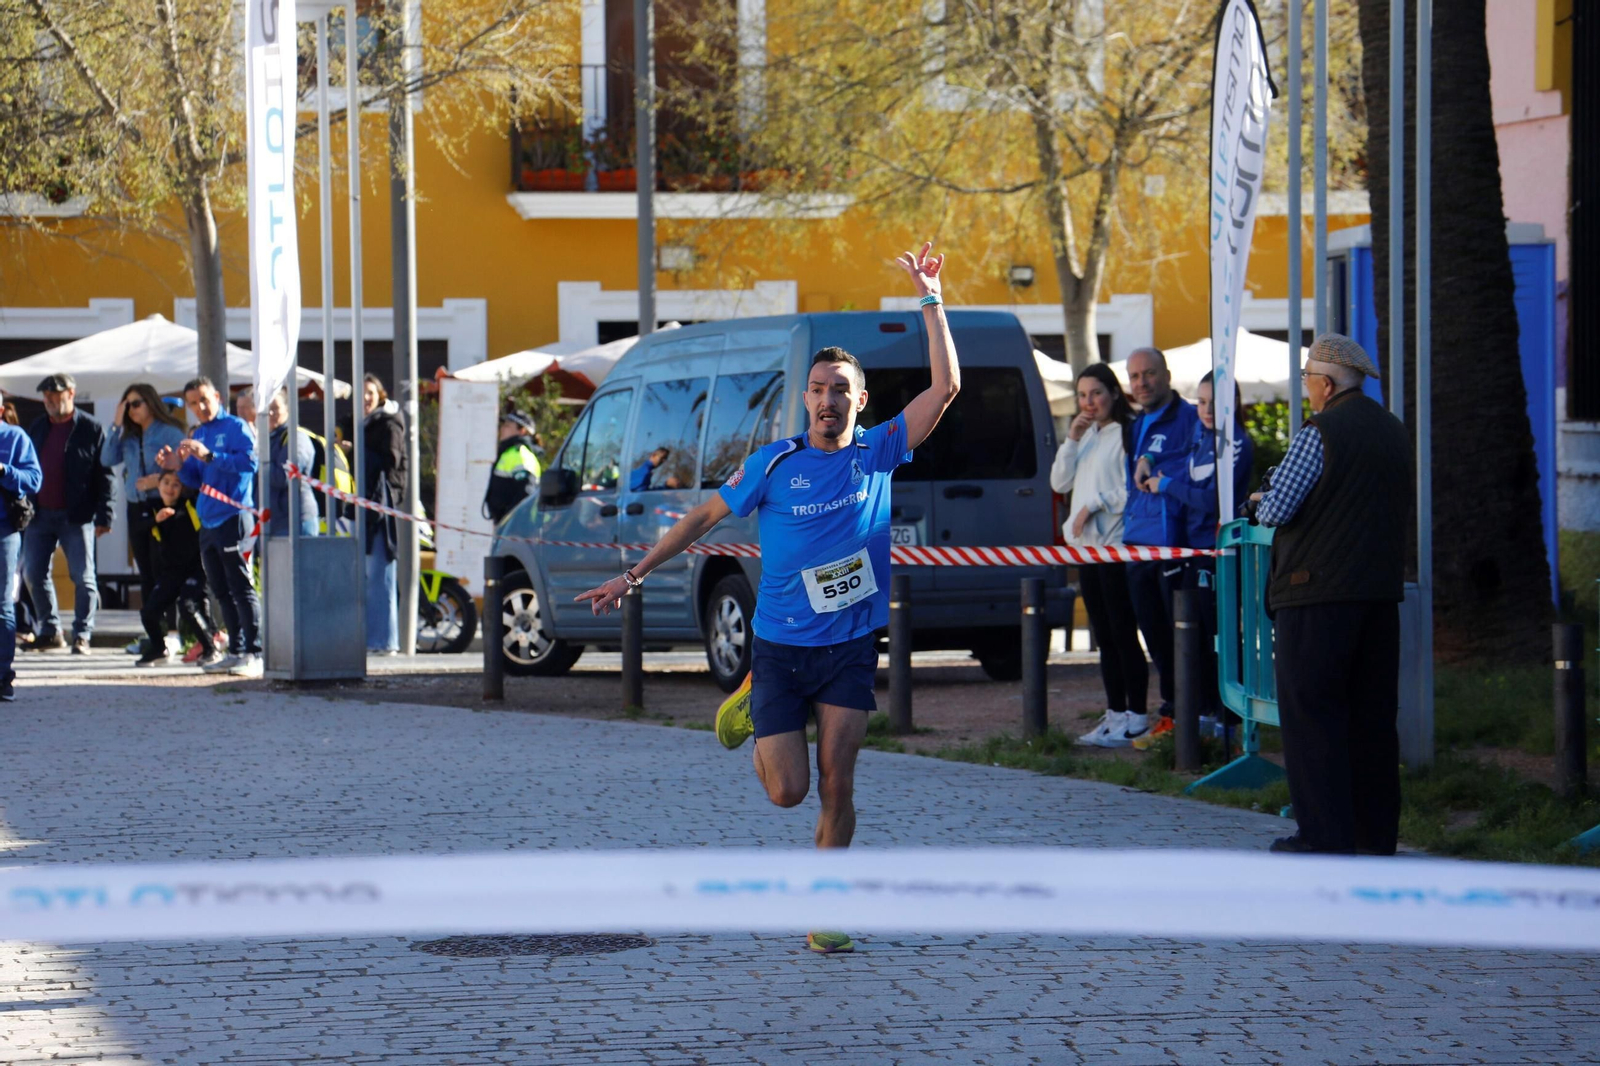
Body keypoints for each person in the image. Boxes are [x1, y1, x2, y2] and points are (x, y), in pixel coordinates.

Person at [577, 241, 959, 955]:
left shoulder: (877, 452)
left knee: (837, 784)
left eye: (840, 388)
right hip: (780, 649)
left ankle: (825, 908)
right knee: (787, 790)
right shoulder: (774, 463)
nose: (827, 398)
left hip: (847, 647)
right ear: (805, 397)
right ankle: (752, 698)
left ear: (859, 400)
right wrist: (632, 575)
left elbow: (946, 391)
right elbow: (699, 521)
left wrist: (931, 299)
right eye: (818, 388)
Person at [1252, 334, 1410, 856]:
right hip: (1379, 595)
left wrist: (1262, 499)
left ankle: (1323, 836)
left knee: (1313, 716)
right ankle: (1374, 836)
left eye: (1307, 381)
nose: (1307, 392)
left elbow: (1277, 510)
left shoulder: (1320, 431)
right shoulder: (1392, 431)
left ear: (1324, 383)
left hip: (1315, 594)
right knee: (1371, 719)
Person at [1134, 369, 1254, 746]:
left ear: (1231, 404)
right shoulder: (1200, 435)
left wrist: (1168, 485)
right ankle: (1202, 715)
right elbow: (1172, 452)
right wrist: (1148, 458)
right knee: (1192, 637)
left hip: (1220, 554)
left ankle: (1229, 722)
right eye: (1200, 402)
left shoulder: (1237, 443)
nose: (1205, 410)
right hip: (1190, 553)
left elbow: (1214, 501)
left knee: (1220, 640)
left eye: (1214, 403)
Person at [1050, 363, 1149, 749]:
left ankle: (1138, 717)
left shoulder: (1129, 431)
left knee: (1123, 633)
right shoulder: (1086, 433)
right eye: (1082, 395)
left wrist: (1094, 504)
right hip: (1086, 550)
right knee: (1104, 637)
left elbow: (1133, 489)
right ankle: (1115, 715)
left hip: (1117, 545)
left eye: (1096, 393)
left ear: (1113, 392)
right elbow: (1059, 482)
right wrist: (1072, 440)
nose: (1089, 402)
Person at [158, 376, 263, 678]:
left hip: (234, 517)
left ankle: (254, 653)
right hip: (209, 521)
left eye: (204, 399)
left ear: (217, 396)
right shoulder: (199, 432)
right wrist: (176, 466)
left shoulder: (236, 427)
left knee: (241, 587)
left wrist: (210, 455)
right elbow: (195, 478)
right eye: (193, 403)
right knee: (220, 589)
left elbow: (249, 462)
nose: (200, 407)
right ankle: (236, 651)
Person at [1121, 347, 1199, 743]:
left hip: (1173, 545)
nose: (1142, 383)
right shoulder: (1137, 422)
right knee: (1153, 636)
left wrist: (1157, 461)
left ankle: (1188, 717)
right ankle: (1172, 712)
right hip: (1137, 544)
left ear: (1166, 374)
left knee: (1179, 637)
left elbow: (1197, 465)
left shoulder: (1188, 417)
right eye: (1134, 377)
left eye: (1149, 374)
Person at [22, 372, 114, 655]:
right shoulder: (37, 426)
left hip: (78, 515)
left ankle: (82, 634)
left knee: (83, 576)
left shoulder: (91, 428)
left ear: (71, 394)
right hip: (39, 514)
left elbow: (106, 474)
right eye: (46, 397)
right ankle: (50, 631)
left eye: (56, 395)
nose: (49, 401)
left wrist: (105, 513)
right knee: (33, 574)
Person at [102, 382, 188, 655]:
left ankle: (174, 634)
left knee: (166, 569)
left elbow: (185, 470)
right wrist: (116, 423)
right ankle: (155, 635)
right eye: (127, 405)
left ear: (151, 403)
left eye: (136, 403)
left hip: (160, 504)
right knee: (147, 573)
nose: (131, 410)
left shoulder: (170, 432)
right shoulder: (126, 436)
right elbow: (106, 459)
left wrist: (158, 480)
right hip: (135, 508)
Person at [137, 471, 223, 668]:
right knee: (149, 612)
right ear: (158, 486)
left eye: (176, 484)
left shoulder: (190, 505)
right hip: (171, 571)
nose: (170, 488)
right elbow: (138, 528)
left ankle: (210, 648)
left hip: (196, 569)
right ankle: (158, 648)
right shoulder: (152, 508)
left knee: (187, 605)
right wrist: (156, 520)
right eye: (166, 483)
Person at [362, 374, 406, 655]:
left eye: (369, 393)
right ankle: (373, 639)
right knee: (370, 575)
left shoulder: (388, 423)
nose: (365, 399)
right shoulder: (363, 423)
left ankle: (384, 641)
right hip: (366, 504)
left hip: (381, 505)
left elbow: (392, 461)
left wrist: (358, 452)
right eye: (361, 394)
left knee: (380, 574)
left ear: (380, 394)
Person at [0, 414, 42, 698]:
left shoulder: (14, 437)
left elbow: (34, 480)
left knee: (2, 602)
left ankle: (3, 677)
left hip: (3, 529)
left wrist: (4, 470)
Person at [265, 388, 319, 540]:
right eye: (267, 410)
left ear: (287, 410)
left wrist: (257, 463)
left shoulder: (296, 438)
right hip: (273, 521)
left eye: (275, 409)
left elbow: (283, 477)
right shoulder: (269, 439)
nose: (270, 414)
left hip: (295, 520)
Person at [483, 411, 544, 524]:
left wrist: (509, 522)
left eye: (507, 425)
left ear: (522, 431)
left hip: (517, 528)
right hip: (507, 526)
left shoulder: (520, 454)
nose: (502, 429)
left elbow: (525, 494)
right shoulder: (510, 453)